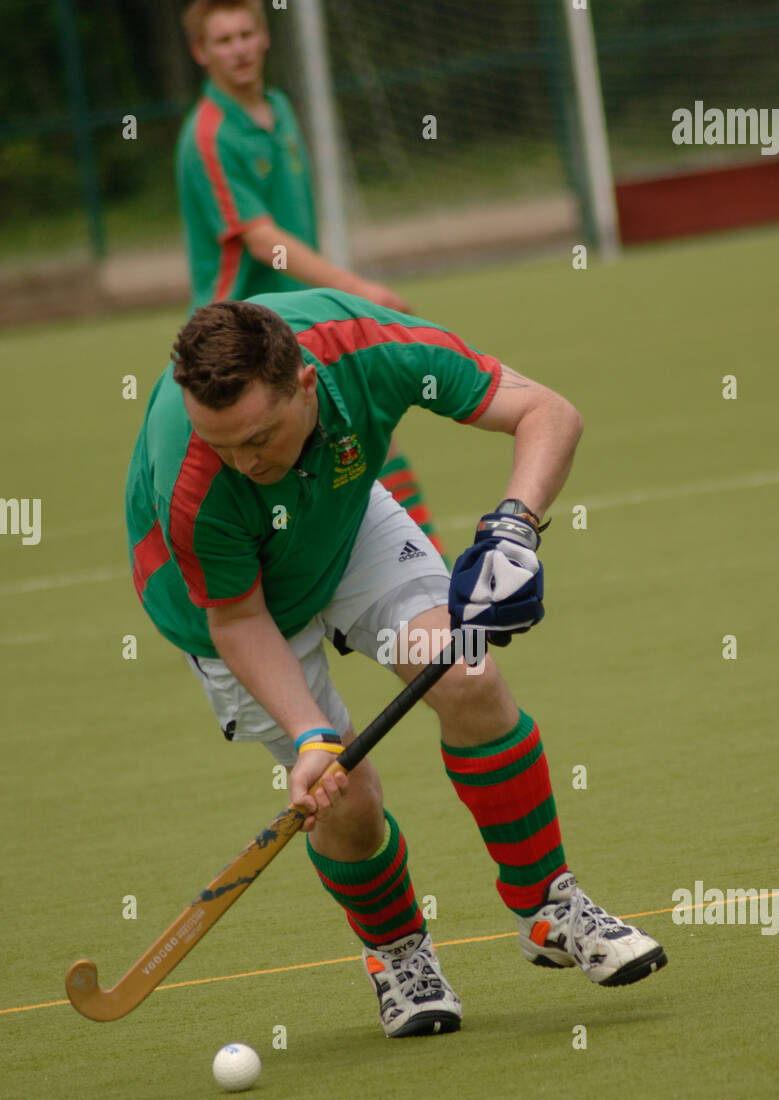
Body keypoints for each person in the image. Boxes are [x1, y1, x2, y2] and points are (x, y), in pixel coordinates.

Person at [126, 289, 667, 1038]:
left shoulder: (371, 351)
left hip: (343, 523)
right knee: (345, 794)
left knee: (465, 673)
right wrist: (312, 738)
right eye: (221, 443)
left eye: (259, 436)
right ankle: (397, 953)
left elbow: (548, 413)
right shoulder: (196, 480)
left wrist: (513, 530)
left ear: (307, 384)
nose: (244, 461)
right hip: (232, 610)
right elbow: (239, 616)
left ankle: (547, 907)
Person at [176, 0, 445, 558]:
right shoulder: (208, 135)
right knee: (278, 489)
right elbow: (260, 239)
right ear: (201, 52)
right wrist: (357, 290)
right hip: (241, 343)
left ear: (266, 37)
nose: (240, 48)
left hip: (299, 323)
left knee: (370, 434)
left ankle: (431, 580)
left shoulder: (278, 109)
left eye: (247, 33)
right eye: (223, 40)